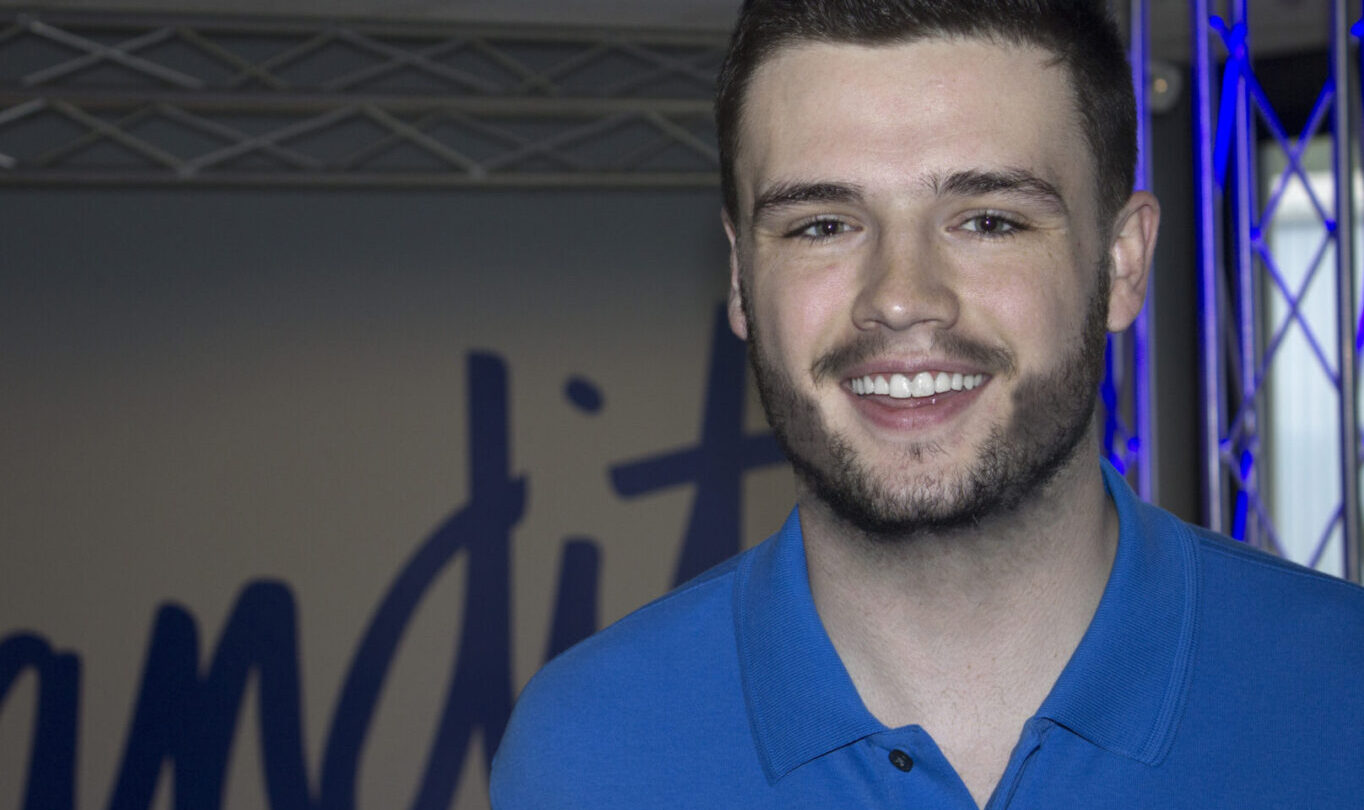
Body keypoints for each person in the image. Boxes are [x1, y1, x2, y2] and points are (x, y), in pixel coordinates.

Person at [490, 0, 1364, 807]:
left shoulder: (1342, 701)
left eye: (988, 220)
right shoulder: (588, 752)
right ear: (739, 276)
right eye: (821, 225)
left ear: (1123, 264)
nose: (902, 297)